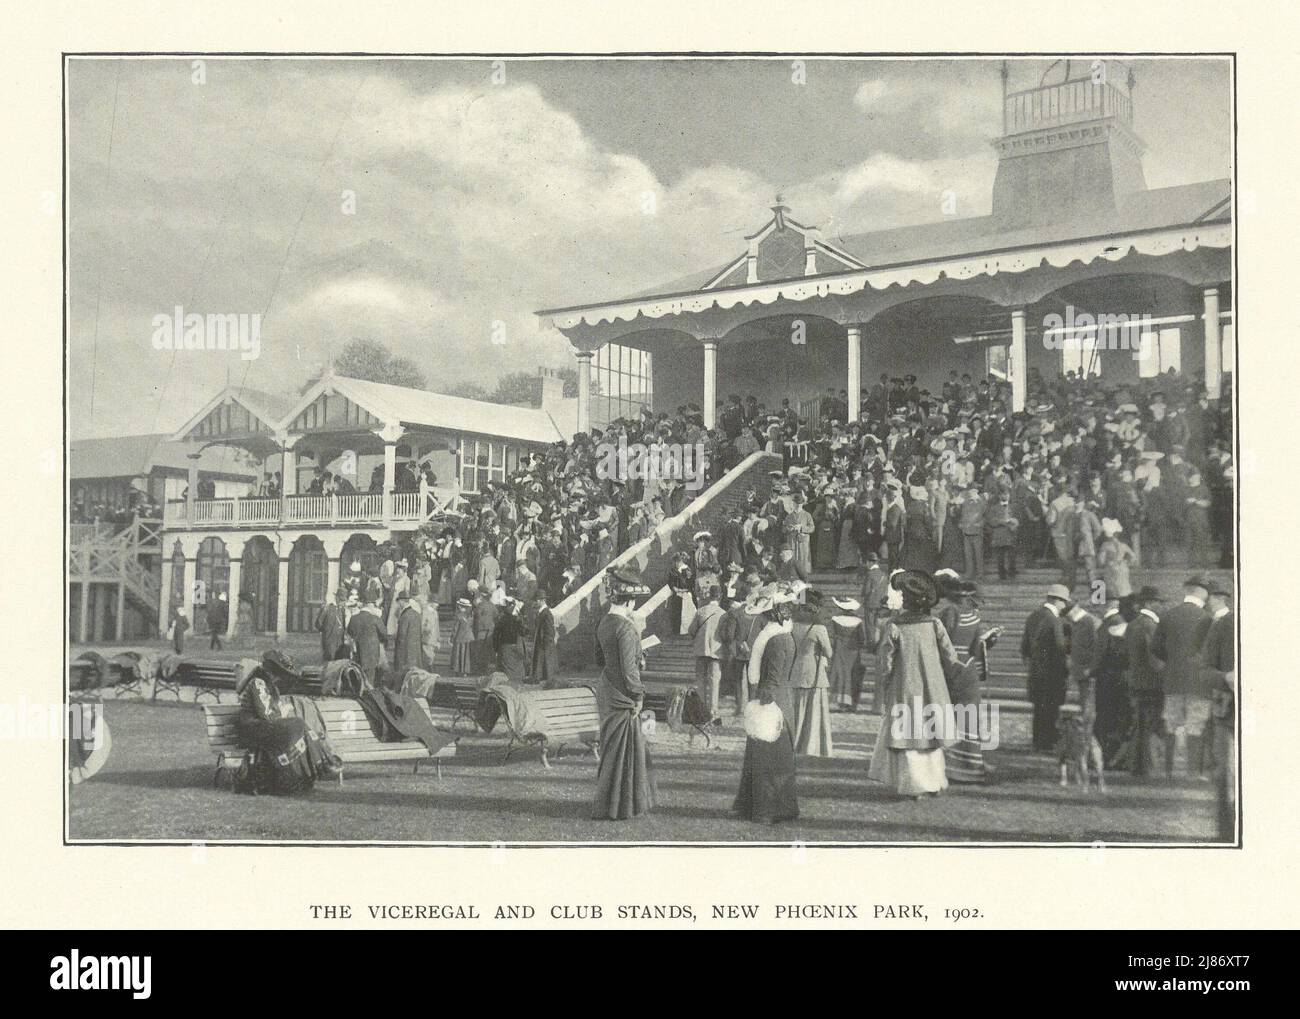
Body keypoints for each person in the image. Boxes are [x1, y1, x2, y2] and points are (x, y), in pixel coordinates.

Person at [869, 570, 960, 798]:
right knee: (931, 735)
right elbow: (950, 657)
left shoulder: (895, 626)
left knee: (910, 738)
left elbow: (885, 662)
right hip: (933, 687)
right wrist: (951, 678)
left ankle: (914, 786)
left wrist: (886, 683)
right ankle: (935, 782)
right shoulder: (935, 624)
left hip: (906, 687)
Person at [591, 566, 656, 821]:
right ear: (629, 600)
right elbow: (630, 671)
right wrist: (639, 695)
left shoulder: (604, 622)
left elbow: (600, 659)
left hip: (606, 687)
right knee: (625, 752)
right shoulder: (626, 628)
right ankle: (620, 805)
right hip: (622, 693)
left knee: (611, 749)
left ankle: (608, 802)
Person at [732, 588, 799, 824]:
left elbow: (773, 676)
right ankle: (753, 805)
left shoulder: (776, 640)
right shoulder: (779, 636)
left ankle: (768, 809)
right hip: (776, 698)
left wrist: (763, 700)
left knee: (769, 758)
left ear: (769, 616)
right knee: (764, 756)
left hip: (772, 702)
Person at [1152, 576, 1213, 778]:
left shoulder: (1168, 615)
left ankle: (1168, 770)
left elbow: (1155, 648)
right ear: (1203, 592)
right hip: (1198, 683)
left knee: (1171, 724)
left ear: (1187, 590)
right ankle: (1193, 772)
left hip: (1173, 680)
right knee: (1196, 726)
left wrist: (1172, 662)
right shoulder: (1207, 618)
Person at [936, 578, 992, 782]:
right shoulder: (975, 616)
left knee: (951, 716)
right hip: (968, 669)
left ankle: (953, 766)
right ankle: (971, 763)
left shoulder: (949, 613)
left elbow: (943, 642)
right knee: (969, 717)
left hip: (951, 667)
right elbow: (976, 648)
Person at [1200, 584, 1236, 840]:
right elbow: (1204, 672)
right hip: (1230, 717)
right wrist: (1226, 677)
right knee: (1228, 777)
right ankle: (1227, 835)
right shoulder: (1224, 625)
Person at [1020, 583, 1071, 752]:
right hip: (1052, 674)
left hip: (1036, 672)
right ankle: (1048, 742)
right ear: (1058, 601)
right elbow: (1059, 648)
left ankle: (1038, 741)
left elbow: (1024, 647)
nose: (1065, 606)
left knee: (1039, 710)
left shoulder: (1033, 616)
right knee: (1051, 710)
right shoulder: (1054, 620)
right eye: (1064, 602)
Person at [1125, 585, 1166, 777]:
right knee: (1149, 726)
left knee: (1139, 725)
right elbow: (1154, 659)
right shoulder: (1150, 626)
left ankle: (1137, 765)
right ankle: (1147, 766)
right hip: (1151, 684)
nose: (1161, 606)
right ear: (1149, 603)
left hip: (1136, 681)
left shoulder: (1133, 624)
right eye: (1158, 603)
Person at [788, 591, 834, 756]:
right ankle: (811, 745)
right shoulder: (819, 628)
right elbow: (829, 652)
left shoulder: (792, 626)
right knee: (814, 711)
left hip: (795, 669)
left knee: (796, 709)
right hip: (814, 672)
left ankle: (793, 741)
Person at [688, 581, 725, 718]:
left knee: (700, 680)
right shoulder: (723, 614)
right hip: (716, 651)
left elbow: (691, 630)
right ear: (720, 596)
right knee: (714, 681)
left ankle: (701, 709)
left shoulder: (701, 611)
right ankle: (713, 710)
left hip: (700, 649)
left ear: (709, 596)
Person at [828, 597, 866, 712]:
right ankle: (848, 702)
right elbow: (861, 639)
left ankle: (836, 700)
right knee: (851, 674)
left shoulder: (835, 619)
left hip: (839, 648)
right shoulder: (858, 621)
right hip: (853, 650)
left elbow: (832, 635)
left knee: (839, 672)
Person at [346, 594, 387, 689]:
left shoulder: (354, 618)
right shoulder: (375, 619)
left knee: (358, 675)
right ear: (370, 605)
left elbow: (349, 632)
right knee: (369, 679)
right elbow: (384, 634)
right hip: (372, 654)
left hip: (357, 652)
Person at [391, 592, 425, 689]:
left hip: (404, 651)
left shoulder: (404, 616)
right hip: (415, 650)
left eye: (399, 602)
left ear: (402, 602)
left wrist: (397, 652)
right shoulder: (416, 614)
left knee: (402, 675)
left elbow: (401, 636)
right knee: (414, 674)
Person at [531, 589, 561, 688]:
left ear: (542, 601)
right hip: (542, 641)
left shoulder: (546, 613)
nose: (536, 602)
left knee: (546, 661)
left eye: (537, 600)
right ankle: (543, 677)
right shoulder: (542, 612)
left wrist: (546, 642)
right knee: (543, 661)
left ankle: (546, 678)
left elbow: (550, 630)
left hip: (545, 642)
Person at [314, 588, 347, 663]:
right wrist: (326, 631)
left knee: (338, 662)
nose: (342, 602)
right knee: (329, 661)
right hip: (329, 639)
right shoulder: (327, 608)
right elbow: (318, 624)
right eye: (341, 600)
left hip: (340, 641)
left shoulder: (342, 609)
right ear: (337, 597)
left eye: (344, 600)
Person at [449, 597, 474, 677]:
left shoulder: (458, 616)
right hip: (469, 637)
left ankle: (458, 670)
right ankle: (465, 671)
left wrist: (452, 638)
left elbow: (455, 628)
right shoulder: (470, 616)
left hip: (460, 636)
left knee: (459, 653)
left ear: (460, 606)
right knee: (466, 655)